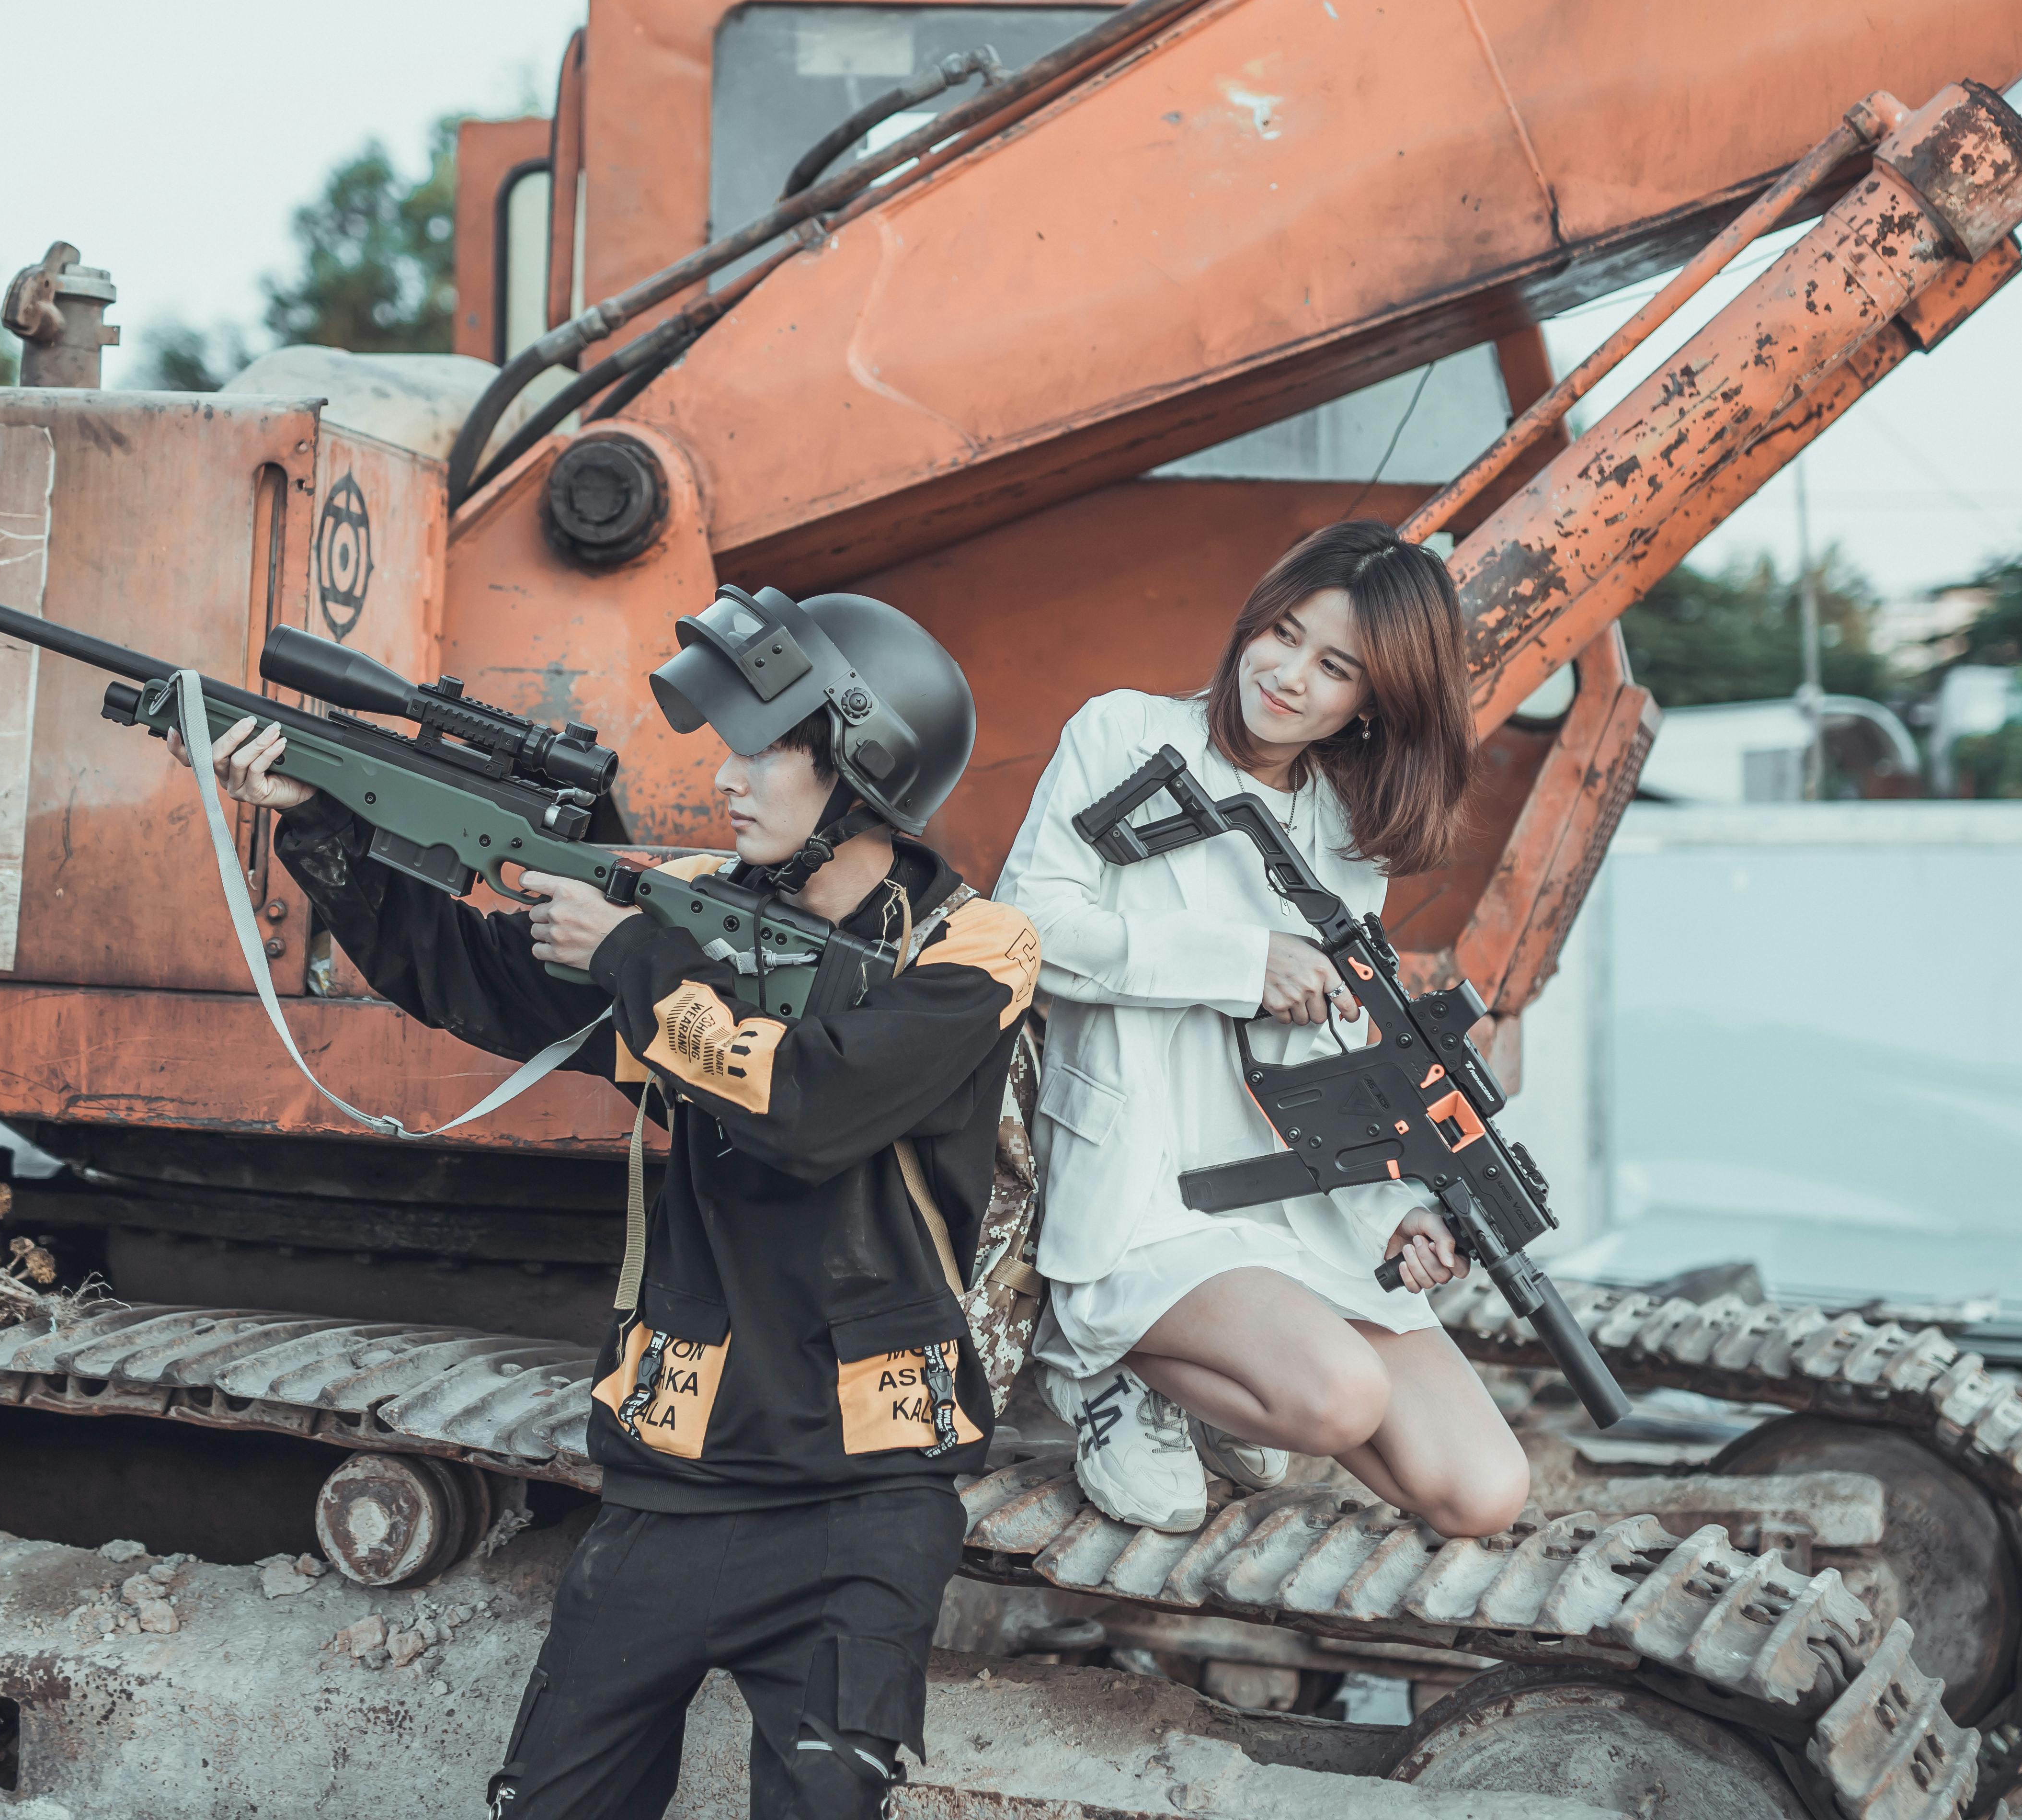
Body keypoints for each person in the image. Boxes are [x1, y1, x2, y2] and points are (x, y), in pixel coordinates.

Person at [182, 585, 1038, 1820]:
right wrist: (323, 824)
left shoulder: (975, 953)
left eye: (768, 754)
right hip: (675, 1482)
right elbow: (469, 981)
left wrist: (632, 956)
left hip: (865, 1498)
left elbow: (813, 1111)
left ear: (865, 776)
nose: (731, 781)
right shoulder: (693, 905)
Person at [996, 520, 1530, 1540]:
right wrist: (1243, 964)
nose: (1286, 675)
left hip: (1290, 1192)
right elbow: (1029, 931)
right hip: (1148, 1186)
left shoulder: (1343, 829)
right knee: (1336, 1399)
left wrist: (1406, 1211)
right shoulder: (1123, 732)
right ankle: (1112, 1374)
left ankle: (1230, 1379)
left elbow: (1335, 1043)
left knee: (1482, 1492)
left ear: (1374, 703)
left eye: (1334, 668)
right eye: (1281, 633)